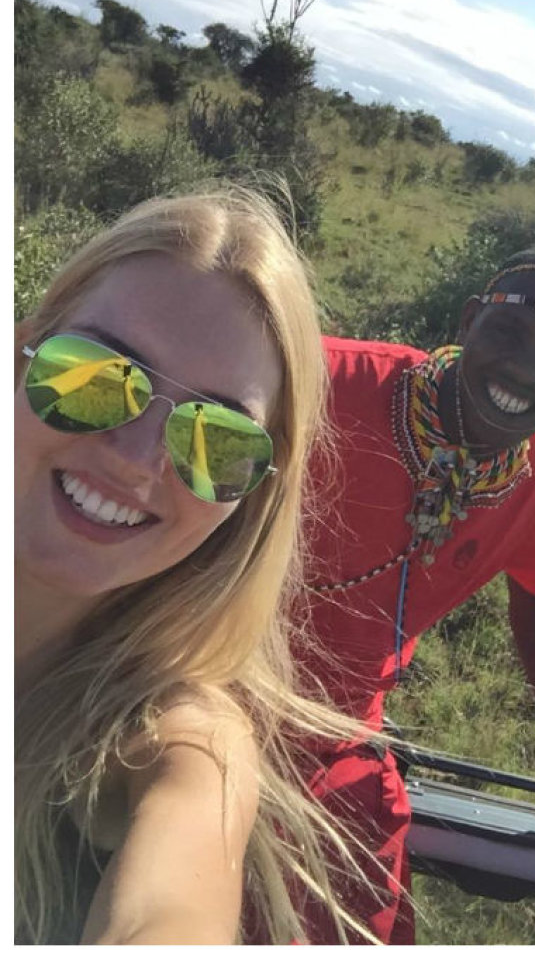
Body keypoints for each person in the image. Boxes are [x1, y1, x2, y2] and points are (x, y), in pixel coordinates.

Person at [14, 189, 375, 944]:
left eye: (216, 439)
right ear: (23, 348)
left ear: (250, 501)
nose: (135, 459)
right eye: (95, 374)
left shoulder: (182, 743)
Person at [293, 244, 535, 944]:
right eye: (508, 334)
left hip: (339, 732)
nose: (523, 371)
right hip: (203, 679)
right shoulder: (322, 377)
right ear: (470, 318)